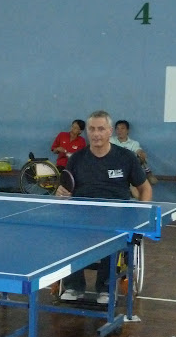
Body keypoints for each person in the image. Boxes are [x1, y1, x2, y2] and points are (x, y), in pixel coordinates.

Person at [56, 110, 151, 303]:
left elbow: (145, 188)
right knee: (66, 231)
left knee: (113, 235)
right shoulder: (77, 159)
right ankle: (74, 287)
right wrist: (61, 193)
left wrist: (142, 215)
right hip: (82, 215)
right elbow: (65, 189)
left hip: (116, 215)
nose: (96, 133)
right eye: (92, 129)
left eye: (101, 129)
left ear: (109, 131)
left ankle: (106, 288)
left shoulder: (126, 157)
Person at [110, 120, 159, 185]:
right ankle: (148, 173)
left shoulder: (133, 143)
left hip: (127, 170)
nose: (119, 131)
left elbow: (138, 150)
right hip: (113, 170)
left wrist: (141, 153)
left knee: (140, 157)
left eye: (122, 128)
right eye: (117, 129)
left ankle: (147, 173)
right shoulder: (110, 140)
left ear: (128, 130)